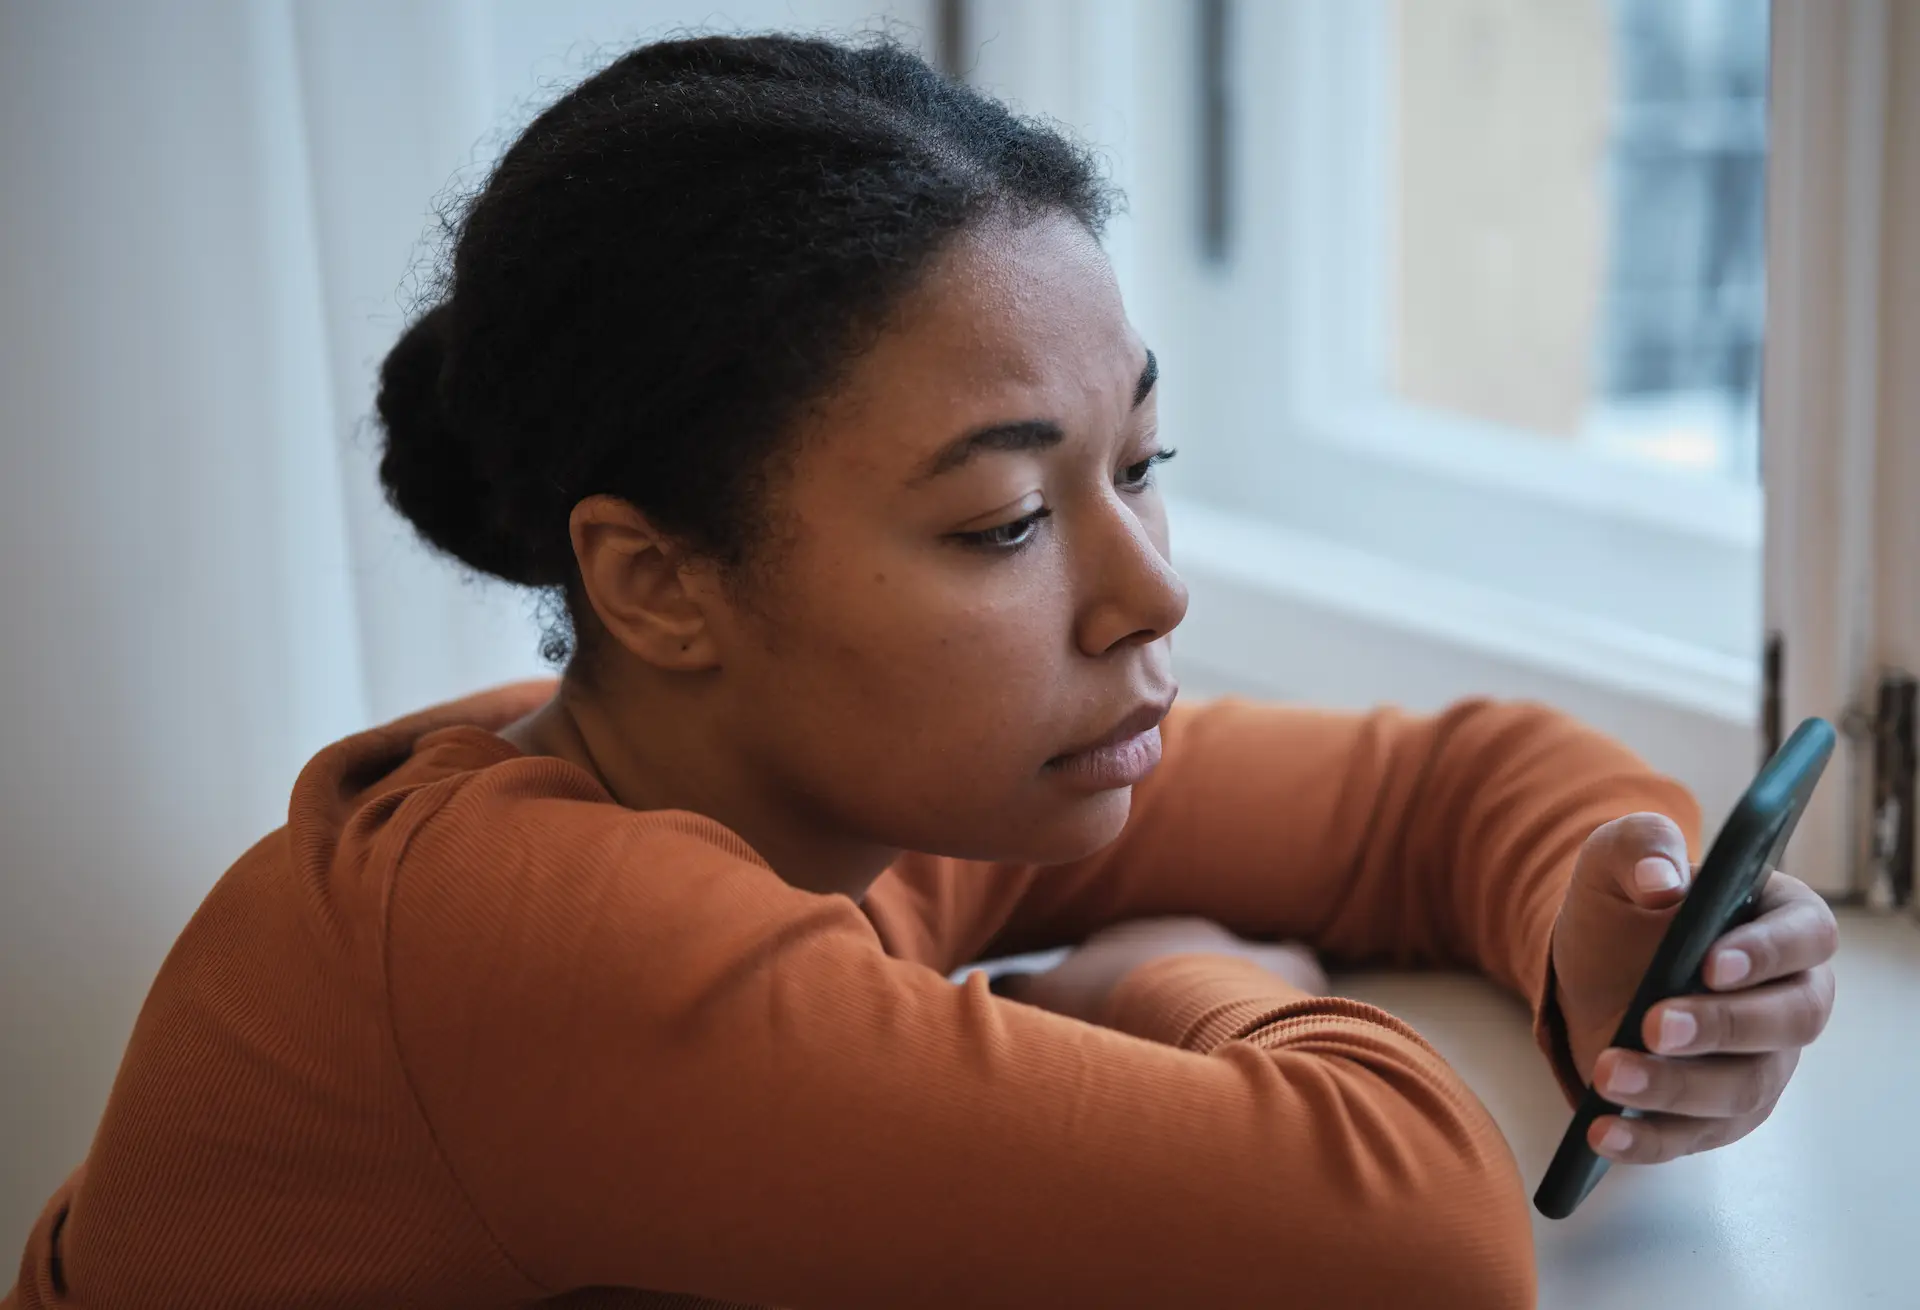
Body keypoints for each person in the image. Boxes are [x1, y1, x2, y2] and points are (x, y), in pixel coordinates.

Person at [6, 32, 1838, 1310]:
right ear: (655, 581)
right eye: (1002, 527)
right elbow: (1417, 1238)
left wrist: (1610, 935)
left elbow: (1434, 788)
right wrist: (1166, 981)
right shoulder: (540, 927)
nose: (1149, 591)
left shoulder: (826, 778)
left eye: (1139, 466)